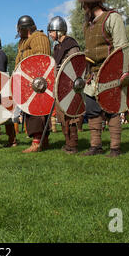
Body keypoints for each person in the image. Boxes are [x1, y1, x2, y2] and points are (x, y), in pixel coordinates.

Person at [78, 0, 129, 157]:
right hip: (92, 75)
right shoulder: (88, 25)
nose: (83, 8)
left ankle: (115, 148)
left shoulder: (112, 18)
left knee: (111, 110)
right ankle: (96, 146)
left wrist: (121, 72)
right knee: (92, 110)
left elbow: (121, 47)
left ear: (89, 4)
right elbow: (88, 52)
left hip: (110, 74)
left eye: (84, 5)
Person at [14, 15, 52, 153]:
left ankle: (37, 142)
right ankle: (43, 141)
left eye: (20, 29)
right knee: (31, 112)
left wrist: (34, 79)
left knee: (36, 112)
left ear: (25, 28)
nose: (18, 32)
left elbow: (42, 59)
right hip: (27, 83)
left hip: (38, 83)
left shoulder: (38, 38)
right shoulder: (23, 42)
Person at [47, 15, 82, 154]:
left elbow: (76, 65)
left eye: (51, 31)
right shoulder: (58, 47)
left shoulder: (70, 44)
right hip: (59, 86)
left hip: (70, 86)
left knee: (71, 116)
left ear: (58, 31)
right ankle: (67, 143)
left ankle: (73, 144)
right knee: (62, 116)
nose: (50, 34)